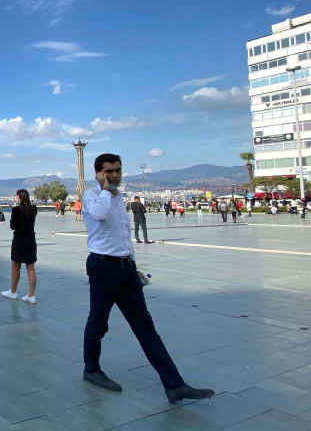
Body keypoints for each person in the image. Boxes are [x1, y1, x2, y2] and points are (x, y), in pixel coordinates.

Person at [81, 154, 214, 403]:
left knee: (145, 327)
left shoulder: (120, 197)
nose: (115, 175)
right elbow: (99, 215)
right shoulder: (91, 196)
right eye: (109, 171)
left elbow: (123, 234)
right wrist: (104, 189)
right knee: (98, 322)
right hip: (102, 266)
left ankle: (174, 385)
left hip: (125, 269)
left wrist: (134, 266)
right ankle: (91, 369)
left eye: (118, 170)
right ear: (98, 173)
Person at [3, 188, 38, 303]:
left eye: (16, 196)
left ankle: (13, 291)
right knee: (31, 267)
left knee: (15, 266)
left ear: (19, 197)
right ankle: (31, 295)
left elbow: (13, 226)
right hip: (30, 239)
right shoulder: (33, 209)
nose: (15, 198)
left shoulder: (16, 210)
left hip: (19, 239)